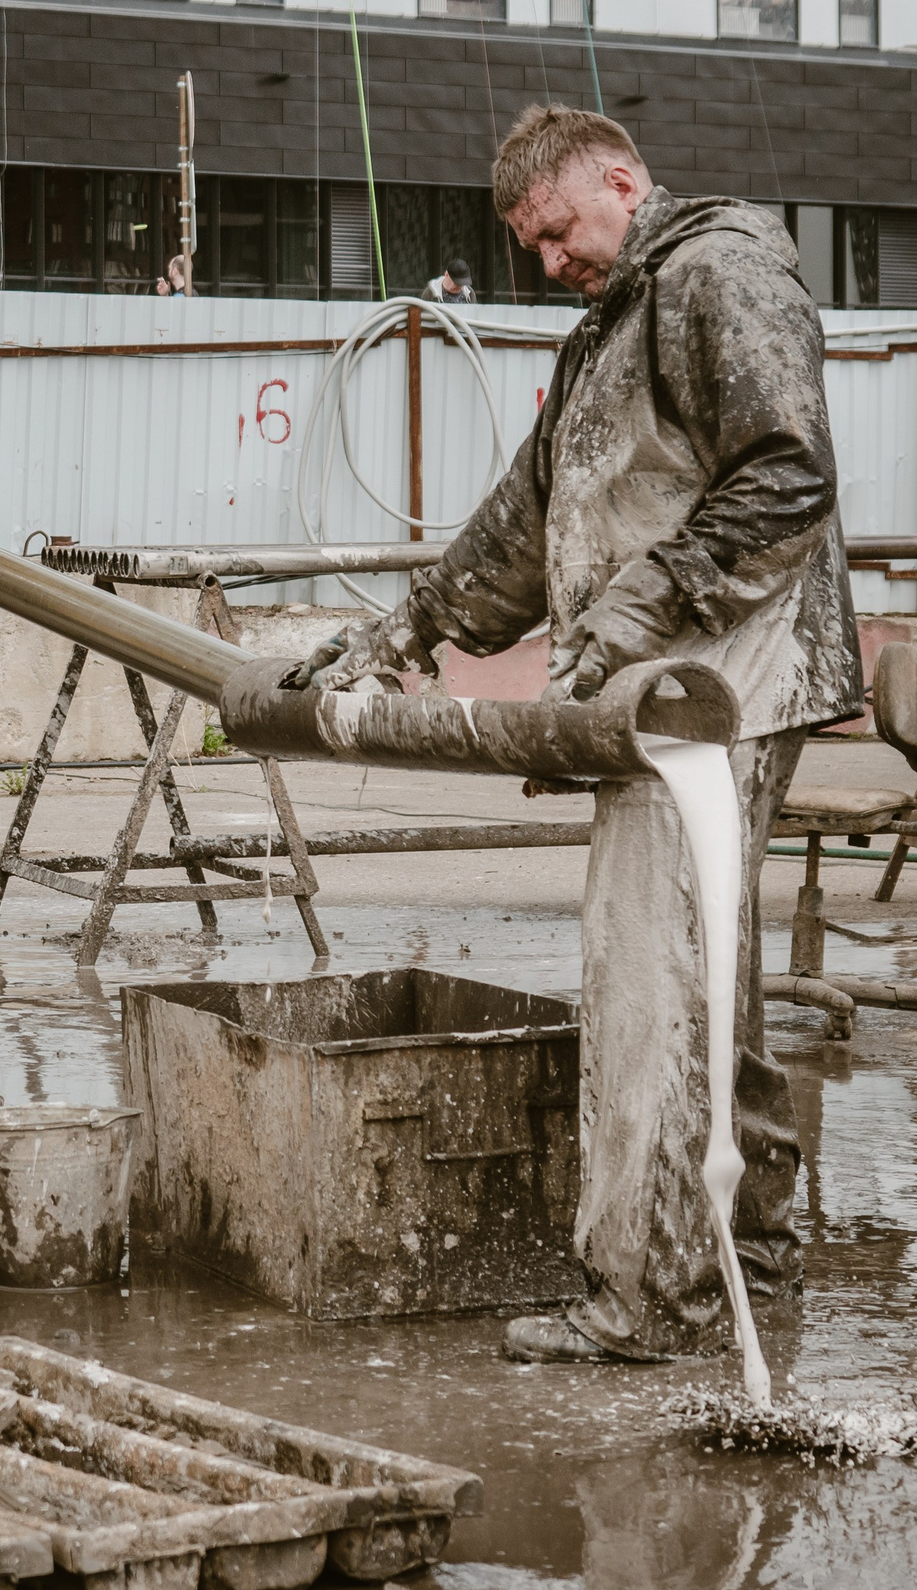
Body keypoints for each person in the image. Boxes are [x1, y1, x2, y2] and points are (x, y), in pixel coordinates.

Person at [295, 104, 860, 1365]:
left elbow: (788, 467)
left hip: (718, 689)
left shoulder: (716, 273)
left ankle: (647, 1301)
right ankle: (747, 1262)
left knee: (648, 987)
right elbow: (527, 514)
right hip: (662, 692)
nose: (549, 263)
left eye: (558, 232)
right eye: (532, 248)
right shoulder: (615, 318)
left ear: (619, 179)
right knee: (711, 991)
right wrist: (406, 630)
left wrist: (645, 600)